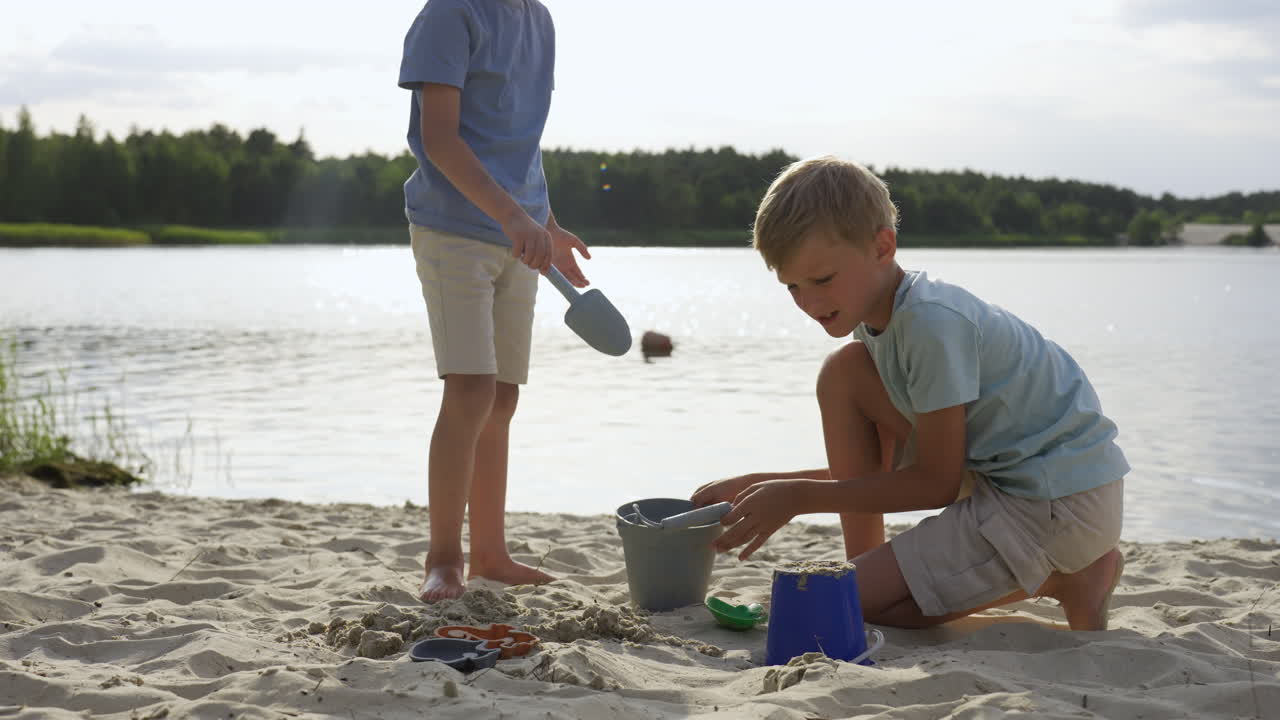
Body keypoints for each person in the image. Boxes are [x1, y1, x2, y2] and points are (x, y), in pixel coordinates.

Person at [693, 156, 1128, 630]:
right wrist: (763, 485)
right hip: (1000, 479)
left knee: (828, 605)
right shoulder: (873, 318)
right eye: (792, 286)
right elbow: (886, 466)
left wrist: (797, 498)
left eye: (822, 279)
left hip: (1054, 503)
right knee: (843, 372)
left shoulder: (929, 323)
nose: (810, 302)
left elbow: (936, 483)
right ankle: (864, 568)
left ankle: (1076, 577)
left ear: (883, 246)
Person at [398, 0, 590, 602]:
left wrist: (546, 224)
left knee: (502, 397)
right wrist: (514, 217)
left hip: (520, 232)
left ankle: (490, 553)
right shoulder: (450, 14)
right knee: (471, 390)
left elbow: (521, 145)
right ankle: (442, 558)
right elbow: (439, 140)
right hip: (453, 229)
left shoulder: (539, 20)